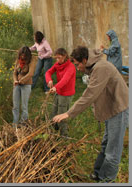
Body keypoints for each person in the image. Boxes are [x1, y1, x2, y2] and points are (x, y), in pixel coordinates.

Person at [53, 46, 129, 183]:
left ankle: (107, 180)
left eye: (77, 64)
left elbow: (89, 95)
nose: (77, 68)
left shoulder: (101, 68)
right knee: (106, 144)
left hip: (118, 109)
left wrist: (69, 113)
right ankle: (98, 173)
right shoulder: (94, 67)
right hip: (110, 109)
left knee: (113, 152)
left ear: (84, 60)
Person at [45, 48, 76, 136]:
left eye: (59, 58)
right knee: (54, 113)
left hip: (66, 94)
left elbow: (65, 80)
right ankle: (54, 132)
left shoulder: (71, 67)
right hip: (58, 92)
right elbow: (48, 72)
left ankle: (64, 136)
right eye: (56, 58)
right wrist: (49, 80)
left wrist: (56, 87)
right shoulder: (58, 64)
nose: (57, 60)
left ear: (65, 56)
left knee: (62, 116)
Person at [12, 46, 36, 127]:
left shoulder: (32, 60)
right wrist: (15, 80)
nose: (22, 57)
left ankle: (23, 123)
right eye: (21, 55)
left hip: (26, 85)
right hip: (17, 85)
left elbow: (31, 73)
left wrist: (22, 80)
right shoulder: (18, 60)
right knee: (15, 106)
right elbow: (15, 72)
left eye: (24, 55)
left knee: (24, 106)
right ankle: (15, 124)